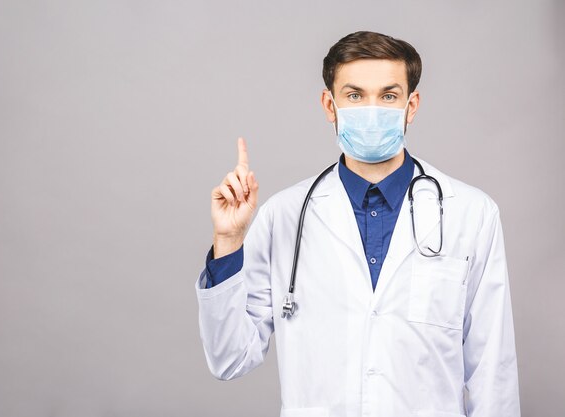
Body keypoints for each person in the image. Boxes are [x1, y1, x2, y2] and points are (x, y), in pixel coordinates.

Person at [195, 31, 520, 417]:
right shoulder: (285, 215)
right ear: (329, 105)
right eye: (354, 96)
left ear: (410, 105)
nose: (371, 109)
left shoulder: (471, 213)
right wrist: (228, 241)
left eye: (387, 96)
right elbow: (230, 358)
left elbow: (492, 371)